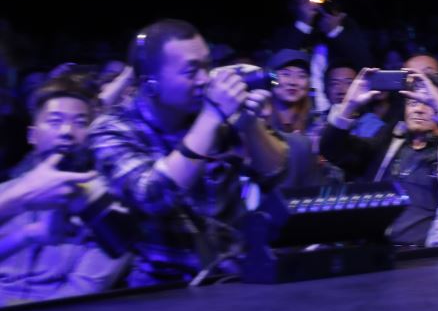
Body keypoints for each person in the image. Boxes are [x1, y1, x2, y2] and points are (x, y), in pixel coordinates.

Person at [87, 19, 289, 284]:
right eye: (191, 71)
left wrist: (250, 123)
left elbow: (275, 171)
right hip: (160, 286)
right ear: (150, 84)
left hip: (232, 274)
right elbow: (152, 196)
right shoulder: (111, 130)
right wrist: (211, 117)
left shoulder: (212, 111)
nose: (205, 79)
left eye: (207, 65)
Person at [0, 81, 131, 304]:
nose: (67, 132)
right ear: (32, 135)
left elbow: (84, 289)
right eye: (55, 121)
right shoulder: (6, 193)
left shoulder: (109, 206)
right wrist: (27, 234)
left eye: (80, 123)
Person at [319, 66, 438, 246]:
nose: (418, 109)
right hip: (375, 249)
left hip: (427, 253)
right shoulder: (385, 144)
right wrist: (348, 106)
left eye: (427, 103)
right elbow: (332, 150)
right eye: (412, 102)